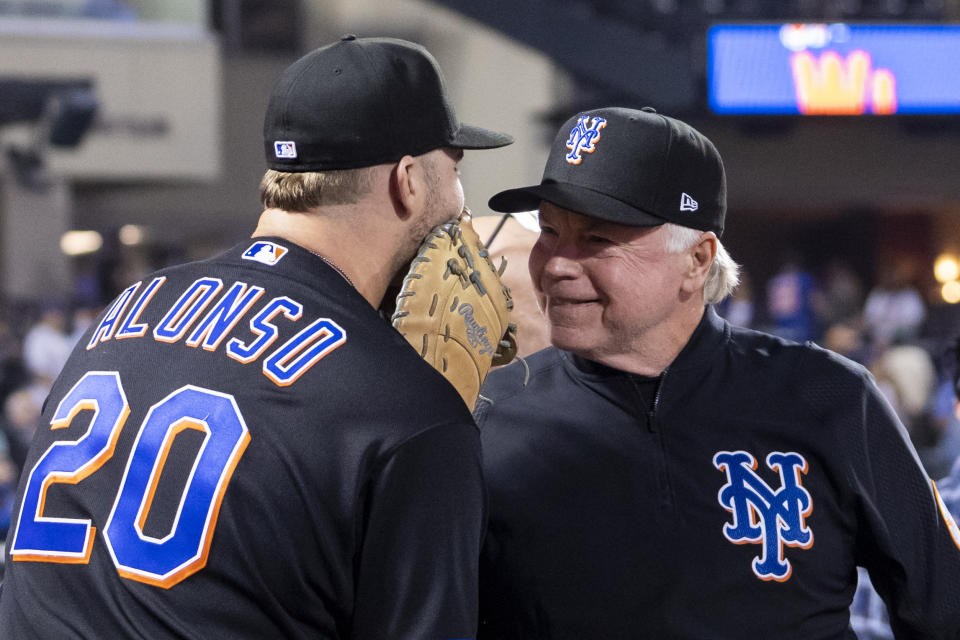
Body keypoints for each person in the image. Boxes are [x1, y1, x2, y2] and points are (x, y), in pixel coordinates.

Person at [0, 35, 512, 638]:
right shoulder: (407, 409)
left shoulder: (125, 311)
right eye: (453, 170)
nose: (460, 202)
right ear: (408, 182)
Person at [474, 106, 960, 638]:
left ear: (697, 260)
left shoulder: (829, 396)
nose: (557, 264)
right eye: (549, 231)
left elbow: (944, 609)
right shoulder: (486, 415)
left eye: (596, 240)